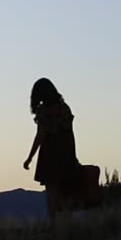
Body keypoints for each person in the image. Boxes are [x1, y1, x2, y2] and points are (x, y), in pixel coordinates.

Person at [22, 77, 81, 217]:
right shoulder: (64, 108)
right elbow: (70, 134)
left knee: (52, 190)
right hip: (66, 153)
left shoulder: (44, 111)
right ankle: (68, 222)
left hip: (49, 153)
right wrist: (72, 155)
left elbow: (40, 136)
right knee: (65, 189)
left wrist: (29, 158)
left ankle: (53, 224)